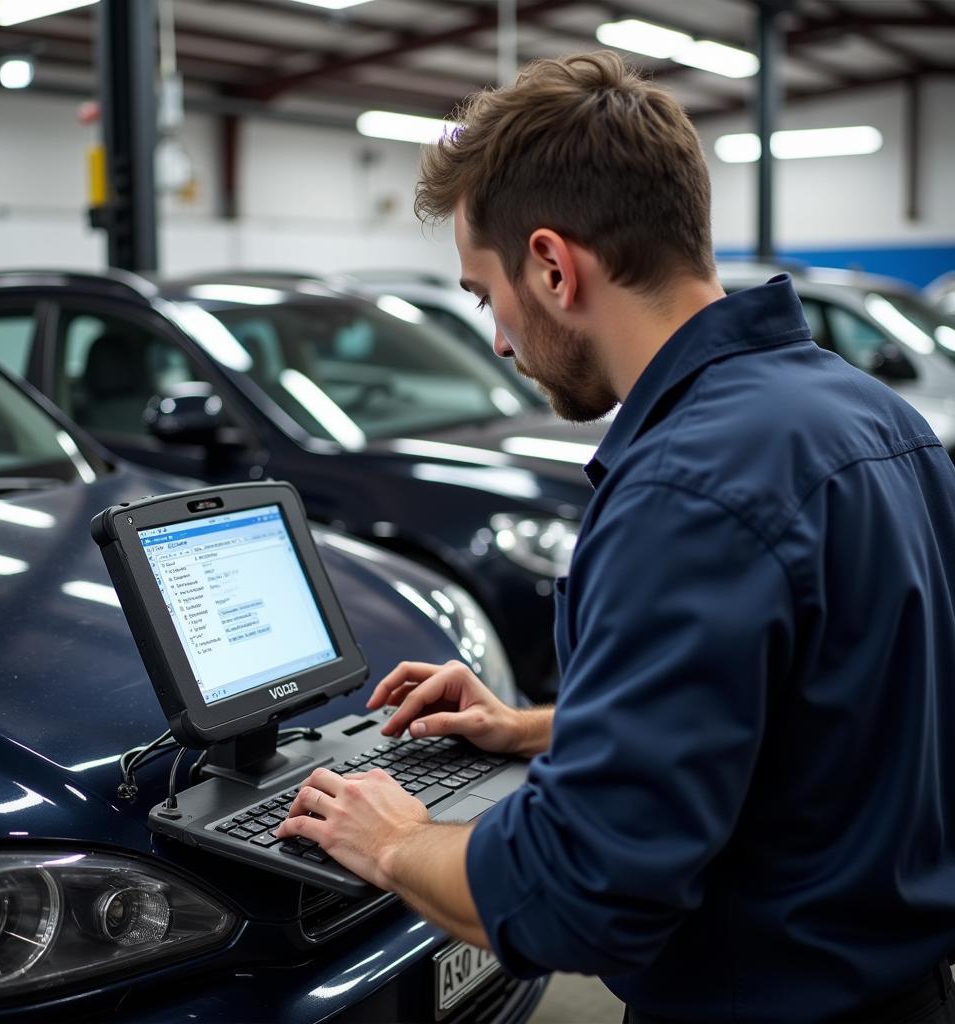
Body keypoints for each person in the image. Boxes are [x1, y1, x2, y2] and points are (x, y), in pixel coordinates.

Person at [278, 51, 955, 1022]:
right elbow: (821, 701)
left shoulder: (684, 490)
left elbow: (582, 894)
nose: (501, 342)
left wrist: (395, 838)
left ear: (552, 266)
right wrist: (544, 725)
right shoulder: (870, 418)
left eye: (484, 295)